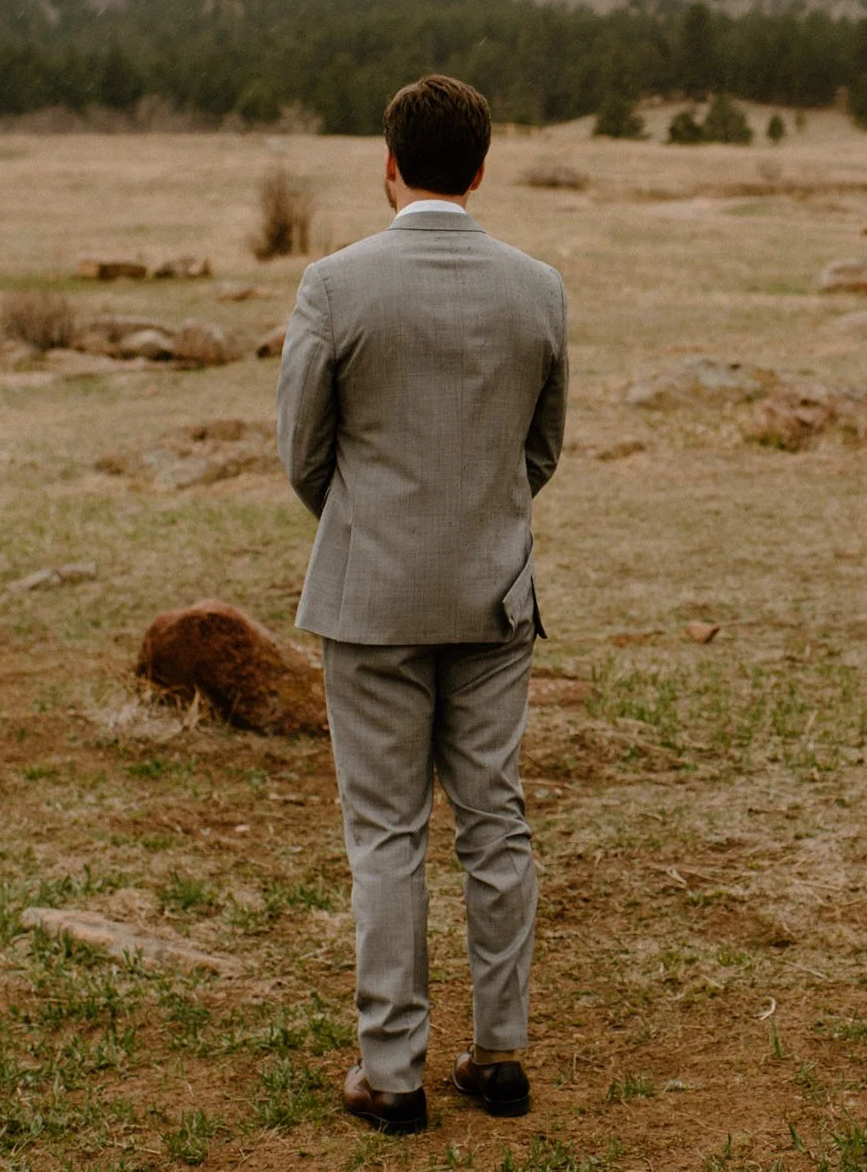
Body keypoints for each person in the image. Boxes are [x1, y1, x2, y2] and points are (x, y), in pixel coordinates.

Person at [276, 74, 570, 1134]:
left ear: (387, 165)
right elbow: (541, 447)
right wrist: (480, 518)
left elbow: (301, 449)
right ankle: (499, 1053)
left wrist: (365, 527)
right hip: (493, 593)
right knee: (495, 819)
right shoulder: (538, 287)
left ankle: (390, 1069)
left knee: (386, 833)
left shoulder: (334, 283)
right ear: (481, 167)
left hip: (370, 598)